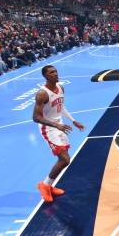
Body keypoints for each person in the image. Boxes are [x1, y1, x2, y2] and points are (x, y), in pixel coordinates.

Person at [32, 65, 85, 203]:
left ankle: (48, 185)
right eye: (51, 73)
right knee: (65, 159)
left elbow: (60, 106)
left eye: (55, 71)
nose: (55, 74)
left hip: (59, 125)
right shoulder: (42, 94)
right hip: (48, 128)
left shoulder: (61, 87)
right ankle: (44, 186)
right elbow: (36, 117)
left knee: (65, 159)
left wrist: (73, 121)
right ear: (45, 76)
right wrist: (56, 125)